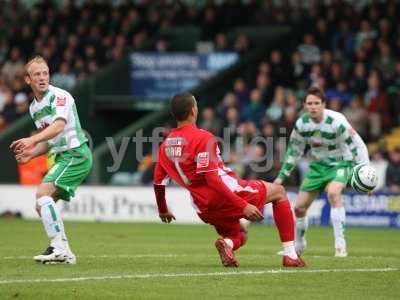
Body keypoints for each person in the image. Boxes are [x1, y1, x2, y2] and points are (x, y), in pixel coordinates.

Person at [153, 92, 305, 268]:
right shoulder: (203, 138)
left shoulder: (166, 145)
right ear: (193, 111)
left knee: (240, 234)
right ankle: (290, 255)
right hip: (227, 194)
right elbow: (213, 179)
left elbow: (158, 182)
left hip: (203, 207)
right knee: (279, 192)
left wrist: (163, 210)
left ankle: (228, 245)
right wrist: (243, 205)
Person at [10, 56, 92, 264]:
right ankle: (65, 253)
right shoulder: (34, 108)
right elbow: (49, 139)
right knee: (42, 205)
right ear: (28, 80)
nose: (42, 77)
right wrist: (32, 152)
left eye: (45, 73)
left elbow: (58, 127)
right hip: (63, 156)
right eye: (37, 74)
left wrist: (31, 140)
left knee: (42, 193)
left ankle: (58, 247)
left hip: (76, 154)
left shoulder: (60, 96)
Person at [274, 86, 369, 257]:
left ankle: (340, 246)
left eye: (316, 103)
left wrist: (363, 170)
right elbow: (294, 152)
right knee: (299, 208)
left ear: (324, 104)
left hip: (341, 163)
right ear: (304, 105)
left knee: (333, 194)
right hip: (318, 166)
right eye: (309, 103)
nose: (313, 106)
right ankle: (300, 245)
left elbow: (357, 144)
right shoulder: (302, 124)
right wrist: (281, 177)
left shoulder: (336, 121)